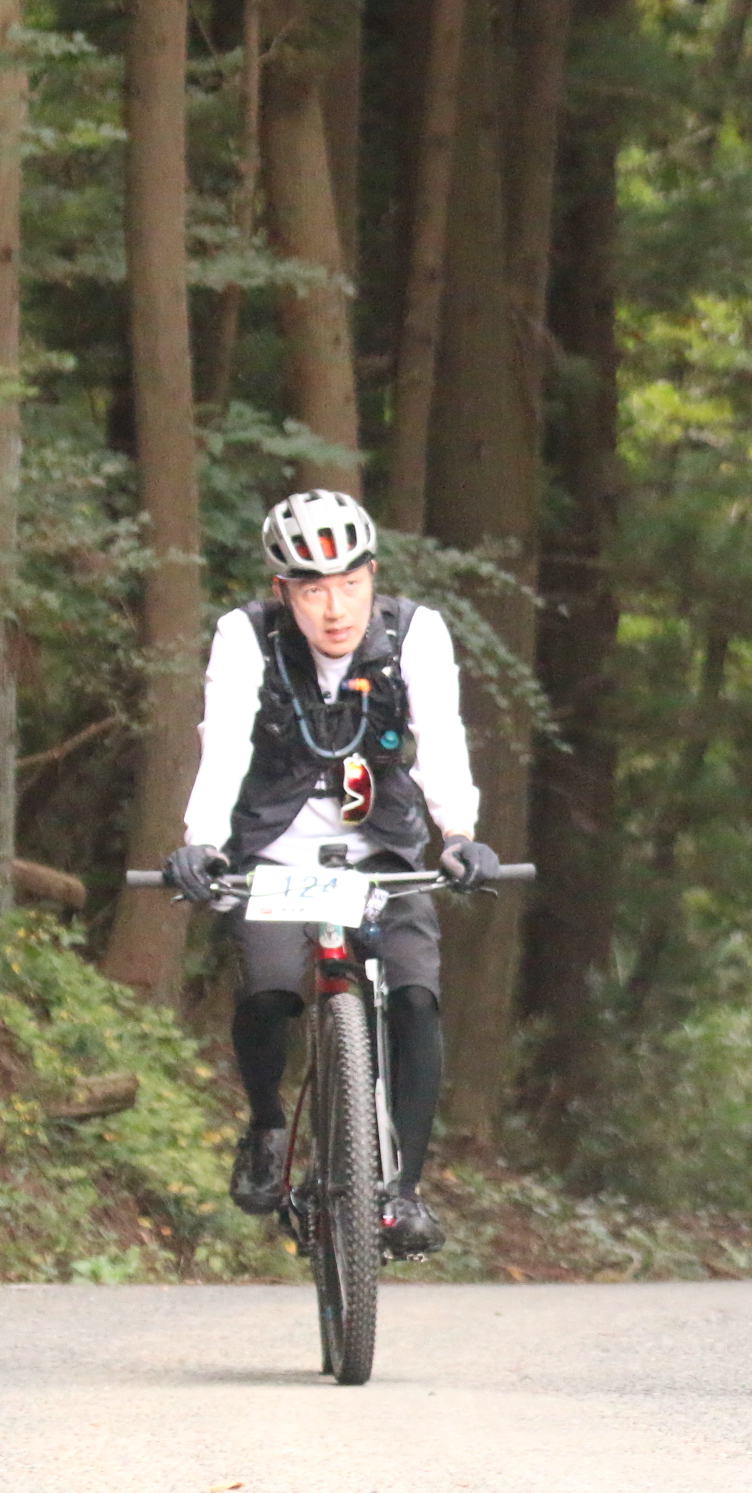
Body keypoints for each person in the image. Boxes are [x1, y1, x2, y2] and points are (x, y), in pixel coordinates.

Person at [162, 491, 496, 1259]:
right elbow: (224, 743)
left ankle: (403, 1192)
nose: (335, 608)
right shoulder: (246, 636)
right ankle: (266, 1126)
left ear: (373, 575)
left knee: (415, 997)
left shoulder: (415, 633)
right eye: (313, 590)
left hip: (383, 853)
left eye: (350, 583)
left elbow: (442, 738)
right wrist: (202, 842)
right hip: (276, 852)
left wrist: (460, 836)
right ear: (283, 591)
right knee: (269, 989)